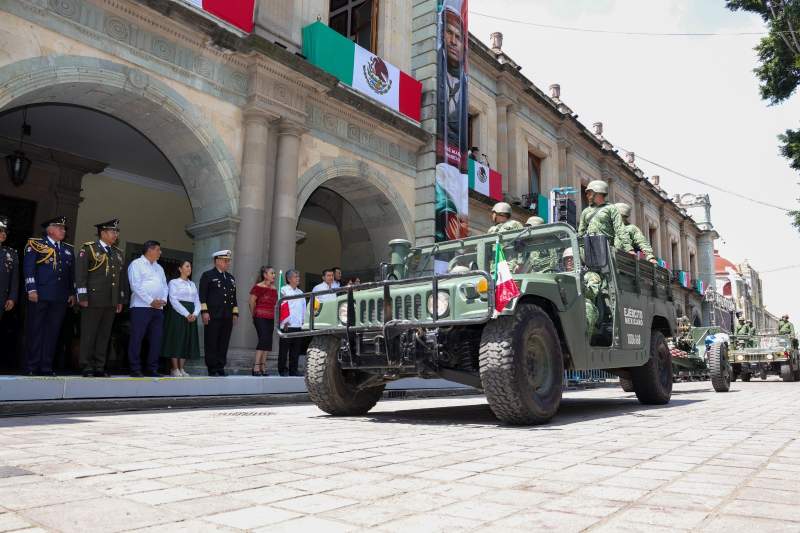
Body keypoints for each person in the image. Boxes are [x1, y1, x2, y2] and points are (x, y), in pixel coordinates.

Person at [23, 216, 75, 376]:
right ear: (50, 230)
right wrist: (31, 289)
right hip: (40, 295)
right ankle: (32, 366)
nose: (63, 231)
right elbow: (29, 268)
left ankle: (46, 366)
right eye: (60, 228)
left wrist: (71, 292)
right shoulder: (36, 245)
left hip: (59, 297)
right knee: (36, 330)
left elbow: (70, 274)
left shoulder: (67, 249)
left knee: (52, 333)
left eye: (64, 228)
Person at [75, 219, 126, 377]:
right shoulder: (89, 249)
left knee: (104, 335)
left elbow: (120, 279)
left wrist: (119, 299)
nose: (115, 234)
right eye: (112, 231)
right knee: (89, 334)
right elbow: (81, 274)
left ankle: (99, 366)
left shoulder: (118, 253)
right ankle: (86, 365)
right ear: (102, 233)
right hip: (92, 298)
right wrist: (82, 295)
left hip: (110, 301)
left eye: (117, 232)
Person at [127, 240, 168, 377]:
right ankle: (135, 368)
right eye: (158, 249)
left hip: (158, 309)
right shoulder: (136, 264)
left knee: (156, 339)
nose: (160, 252)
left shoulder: (159, 267)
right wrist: (151, 301)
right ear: (150, 250)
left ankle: (152, 368)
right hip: (141, 307)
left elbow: (164, 286)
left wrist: (163, 300)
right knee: (137, 338)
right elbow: (135, 286)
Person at [199, 250, 239, 376]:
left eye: (228, 261)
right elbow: (202, 296)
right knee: (211, 341)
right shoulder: (208, 275)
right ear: (217, 261)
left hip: (227, 315)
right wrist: (204, 312)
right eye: (225, 261)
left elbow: (234, 297)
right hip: (213, 315)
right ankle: (212, 367)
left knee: (224, 342)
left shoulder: (230, 278)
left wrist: (235, 313)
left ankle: (220, 366)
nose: (227, 263)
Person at [162, 260, 201, 377]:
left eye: (190, 266)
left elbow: (197, 301)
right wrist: (186, 314)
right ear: (180, 269)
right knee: (176, 339)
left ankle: (182, 368)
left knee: (186, 340)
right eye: (187, 266)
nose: (189, 268)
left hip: (191, 314)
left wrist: (195, 313)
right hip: (178, 314)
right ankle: (174, 368)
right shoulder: (174, 282)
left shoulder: (192, 284)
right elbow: (173, 300)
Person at [577, 180, 632, 252]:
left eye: (589, 192)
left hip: (606, 248)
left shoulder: (611, 208)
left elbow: (620, 228)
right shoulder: (586, 211)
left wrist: (628, 248)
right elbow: (581, 232)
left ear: (598, 192)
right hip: (589, 248)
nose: (587, 195)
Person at [563, 248, 600, 337]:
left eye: (571, 258)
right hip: (565, 304)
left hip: (583, 303)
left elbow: (592, 293)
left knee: (587, 307)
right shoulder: (560, 276)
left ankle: (584, 342)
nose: (569, 261)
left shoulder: (590, 275)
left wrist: (581, 284)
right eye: (566, 259)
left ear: (580, 259)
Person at [249, 265, 277, 376]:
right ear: (265, 275)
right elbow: (251, 302)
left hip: (270, 317)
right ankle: (256, 366)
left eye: (274, 273)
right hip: (260, 316)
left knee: (268, 341)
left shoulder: (274, 288)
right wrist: (254, 315)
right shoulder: (258, 287)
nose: (274, 275)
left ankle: (263, 366)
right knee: (263, 339)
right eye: (272, 273)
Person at [278, 269, 305, 377]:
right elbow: (283, 306)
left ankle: (293, 370)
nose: (298, 278)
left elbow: (303, 309)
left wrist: (303, 322)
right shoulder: (284, 290)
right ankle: (282, 370)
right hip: (287, 325)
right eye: (295, 276)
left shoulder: (301, 292)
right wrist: (284, 322)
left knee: (295, 350)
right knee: (284, 350)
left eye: (298, 276)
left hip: (298, 325)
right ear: (289, 279)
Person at [0, 216, 19, 322]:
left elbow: (14, 279)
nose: (3, 234)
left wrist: (12, 298)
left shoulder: (11, 254)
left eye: (5, 232)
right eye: (0, 231)